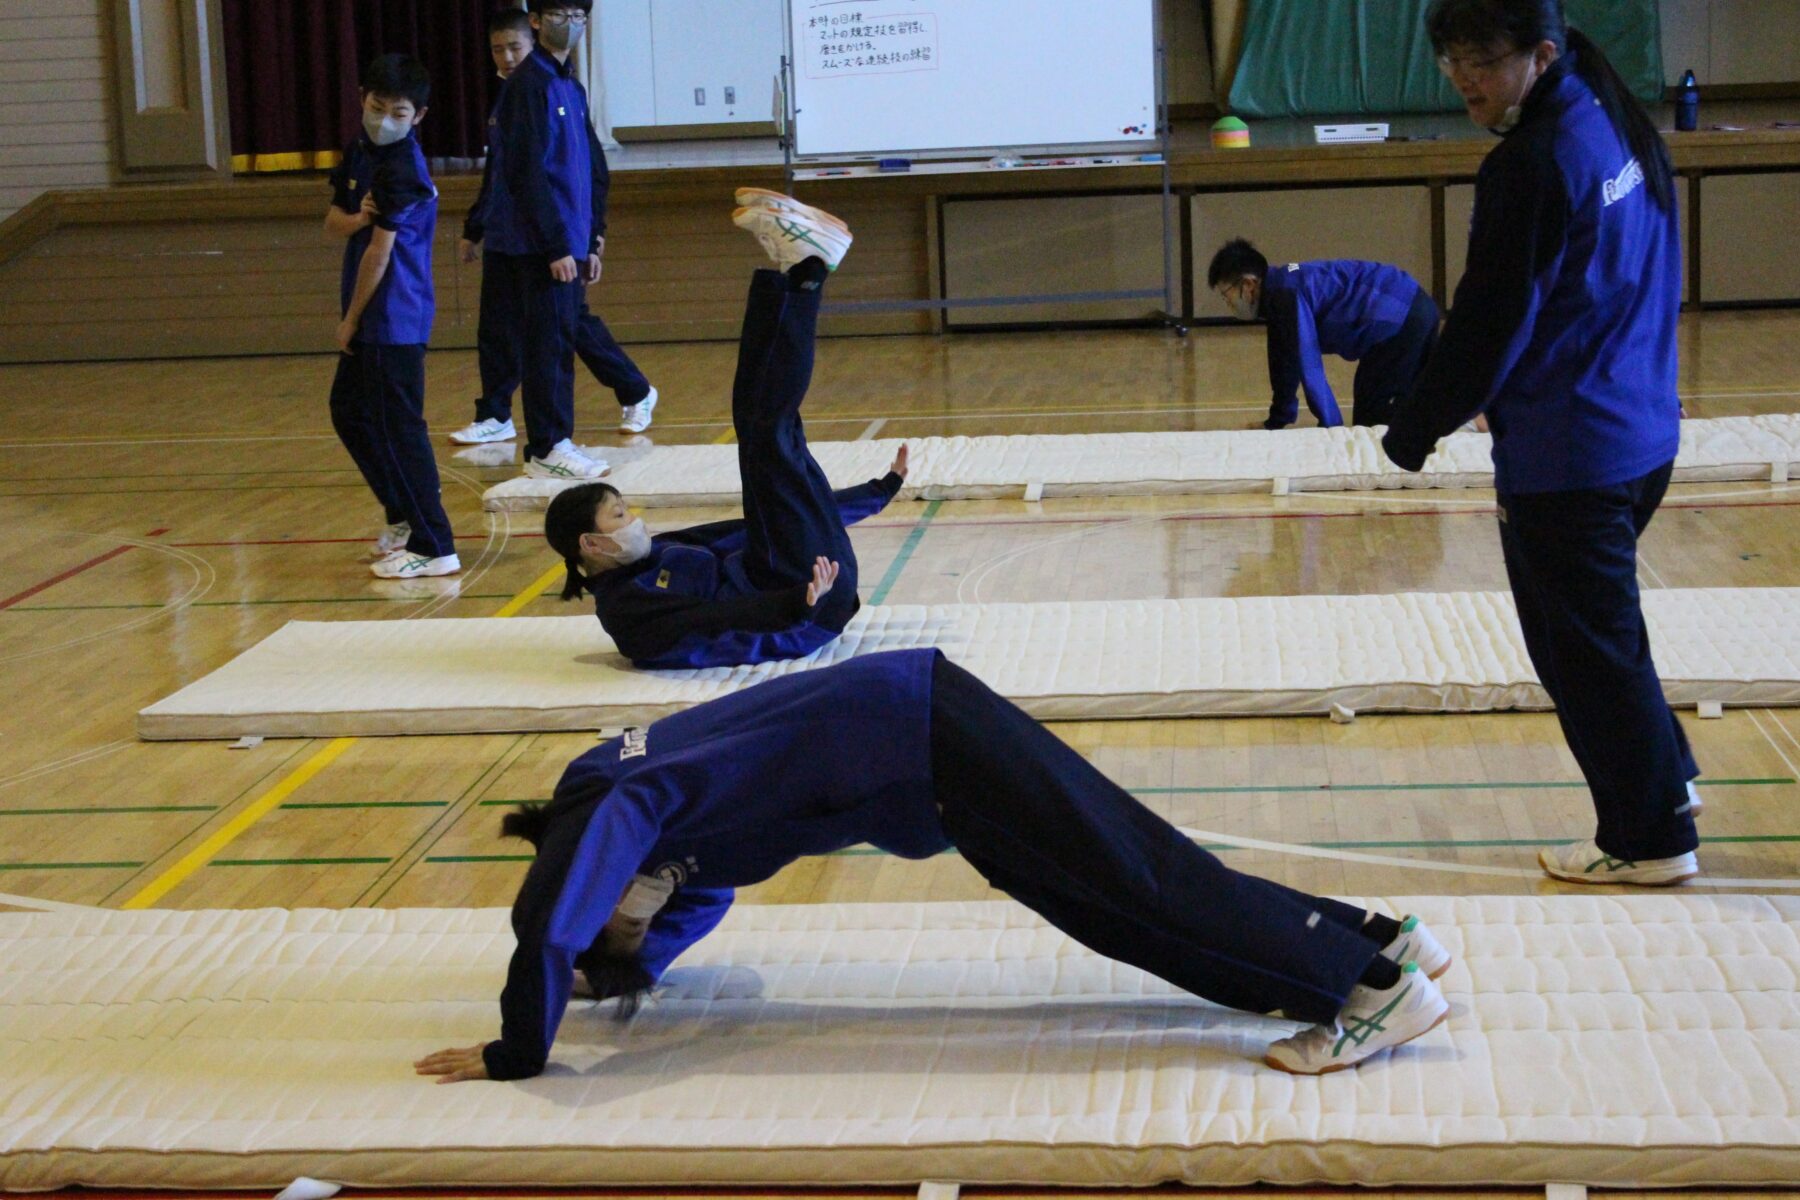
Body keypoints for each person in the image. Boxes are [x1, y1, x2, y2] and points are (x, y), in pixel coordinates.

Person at [413, 648, 1455, 1085]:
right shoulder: (663, 832)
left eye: (616, 916)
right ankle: (1381, 940)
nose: (636, 922)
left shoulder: (608, 807)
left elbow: (550, 921)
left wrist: (519, 1044)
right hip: (927, 754)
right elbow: (689, 898)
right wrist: (619, 962)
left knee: (1140, 886)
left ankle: (1366, 990)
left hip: (922, 738)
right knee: (1122, 893)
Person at [1382, 0, 1700, 886]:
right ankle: (1664, 780)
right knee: (1603, 635)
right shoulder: (1604, 112)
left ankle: (1649, 836)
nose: (1464, 80)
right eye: (1451, 62)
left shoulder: (1531, 162)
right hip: (1638, 430)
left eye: (1482, 61)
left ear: (1541, 53)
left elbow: (1488, 321)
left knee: (1581, 652)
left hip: (1575, 454)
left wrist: (1415, 427)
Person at [543, 192, 902, 671]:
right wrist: (798, 601)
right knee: (769, 434)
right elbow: (715, 616)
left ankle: (795, 274)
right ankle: (809, 272)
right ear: (590, 543)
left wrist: (880, 491)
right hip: (803, 600)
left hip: (790, 572)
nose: (633, 519)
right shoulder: (626, 610)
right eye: (619, 514)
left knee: (761, 425)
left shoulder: (659, 551)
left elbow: (750, 528)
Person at [452, 7, 659, 450]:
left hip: (550, 239)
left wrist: (588, 236)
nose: (507, 57)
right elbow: (504, 171)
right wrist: (477, 224)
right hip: (514, 237)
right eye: (497, 49)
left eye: (514, 48)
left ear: (532, 40)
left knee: (564, 330)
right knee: (499, 329)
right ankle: (496, 413)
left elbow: (585, 168)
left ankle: (631, 392)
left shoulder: (554, 86)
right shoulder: (514, 96)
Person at [323, 54, 460, 580]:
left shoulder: (404, 169)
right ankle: (403, 515)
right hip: (369, 317)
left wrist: (351, 320)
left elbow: (379, 256)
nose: (384, 119)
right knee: (349, 411)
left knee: (400, 428)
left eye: (398, 112)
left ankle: (435, 544)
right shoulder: (359, 152)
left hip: (393, 318)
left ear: (417, 116)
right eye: (377, 106)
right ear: (362, 97)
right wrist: (356, 216)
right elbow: (333, 221)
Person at [479, 0, 617, 481]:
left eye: (579, 15)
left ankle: (555, 439)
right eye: (560, 13)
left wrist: (593, 237)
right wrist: (557, 245)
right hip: (539, 247)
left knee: (558, 341)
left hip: (572, 243)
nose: (571, 24)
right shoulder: (527, 87)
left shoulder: (569, 85)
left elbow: (592, 168)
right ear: (535, 21)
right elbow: (525, 173)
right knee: (547, 345)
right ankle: (547, 446)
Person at [1209, 239, 1440, 431]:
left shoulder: (1285, 296)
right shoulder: (1279, 291)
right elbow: (1284, 365)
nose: (1227, 302)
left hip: (1399, 317)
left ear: (1248, 285)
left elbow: (1308, 363)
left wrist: (1331, 428)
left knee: (1372, 425)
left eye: (1225, 294)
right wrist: (1276, 422)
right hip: (1413, 305)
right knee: (1420, 394)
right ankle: (1466, 415)